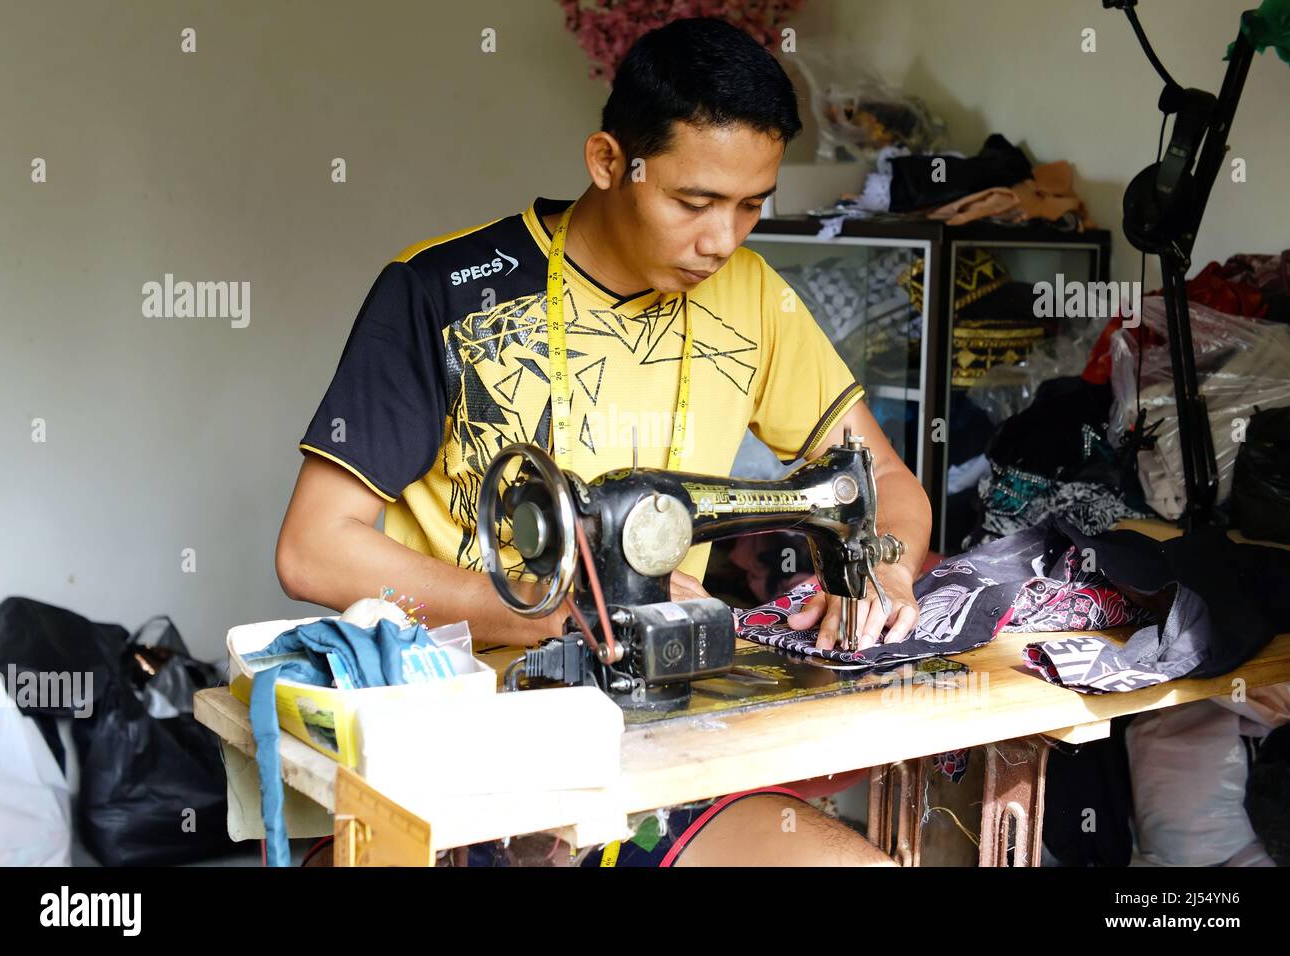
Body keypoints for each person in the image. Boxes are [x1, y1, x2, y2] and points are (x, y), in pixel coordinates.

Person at [277, 17, 931, 867]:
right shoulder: (441, 292)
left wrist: (883, 568)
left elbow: (878, 474)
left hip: (659, 743)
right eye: (693, 202)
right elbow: (313, 549)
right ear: (608, 162)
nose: (722, 241)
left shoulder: (754, 298)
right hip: (465, 736)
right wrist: (527, 611)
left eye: (750, 206)